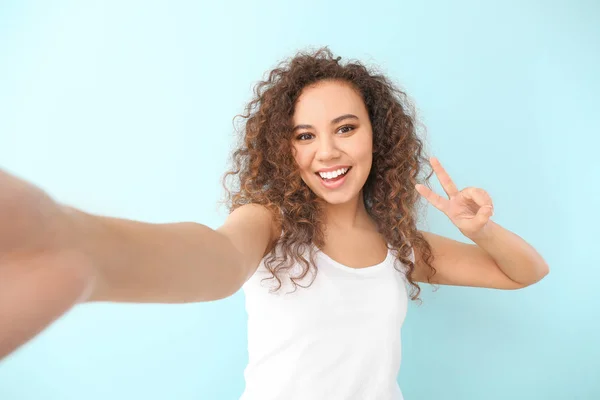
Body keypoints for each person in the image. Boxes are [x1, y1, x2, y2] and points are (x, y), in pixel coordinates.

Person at [0, 47, 549, 399]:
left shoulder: (399, 242)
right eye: (304, 135)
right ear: (285, 149)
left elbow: (524, 272)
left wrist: (480, 230)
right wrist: (80, 248)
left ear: (377, 138)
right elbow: (212, 261)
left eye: (346, 128)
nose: (326, 152)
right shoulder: (269, 222)